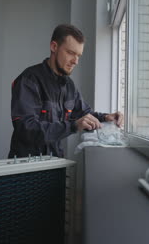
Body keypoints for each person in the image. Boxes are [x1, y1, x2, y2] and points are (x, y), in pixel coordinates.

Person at [8, 24, 123, 158]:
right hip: (26, 167)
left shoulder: (69, 86)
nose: (75, 61)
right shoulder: (29, 80)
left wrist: (106, 117)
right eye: (70, 53)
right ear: (54, 47)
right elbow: (26, 129)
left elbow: (84, 114)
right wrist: (73, 126)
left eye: (78, 55)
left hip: (54, 163)